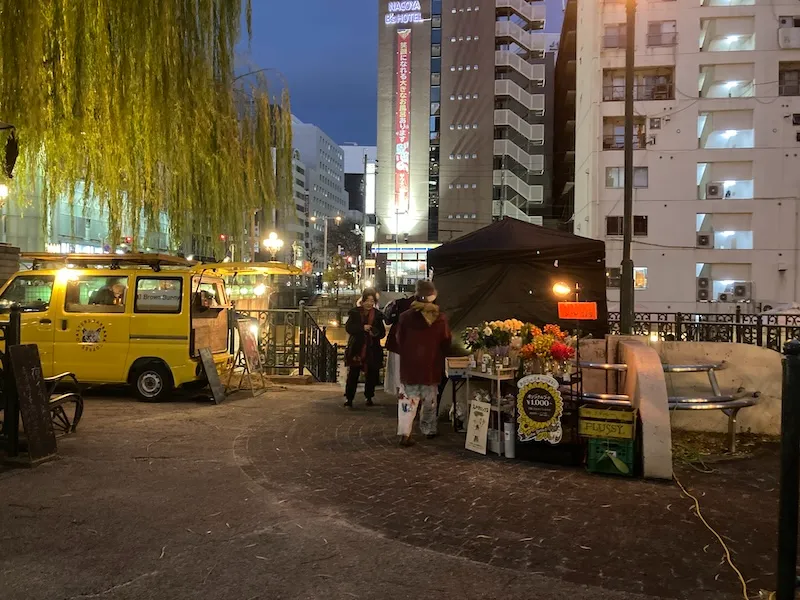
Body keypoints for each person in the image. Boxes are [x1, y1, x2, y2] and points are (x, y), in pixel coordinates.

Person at [395, 279, 451, 446]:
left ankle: (405, 433)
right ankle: (429, 429)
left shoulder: (405, 317)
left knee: (408, 400)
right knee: (430, 400)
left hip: (410, 366)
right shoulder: (440, 318)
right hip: (430, 365)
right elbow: (446, 340)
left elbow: (399, 339)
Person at [343, 287, 386, 408]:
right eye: (367, 301)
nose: (369, 304)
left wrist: (374, 332)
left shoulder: (377, 316)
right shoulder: (355, 313)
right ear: (363, 300)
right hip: (357, 347)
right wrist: (362, 328)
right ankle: (349, 398)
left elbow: (382, 333)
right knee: (353, 374)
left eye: (372, 301)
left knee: (372, 374)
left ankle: (369, 396)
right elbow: (349, 328)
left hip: (372, 349)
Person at [382, 292, 415, 397]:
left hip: (396, 344)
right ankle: (404, 394)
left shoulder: (401, 303)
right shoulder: (414, 309)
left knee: (398, 372)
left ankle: (401, 393)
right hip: (406, 346)